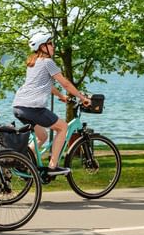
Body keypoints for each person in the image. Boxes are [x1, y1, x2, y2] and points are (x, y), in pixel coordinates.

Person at [12, 31, 90, 176]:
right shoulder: (48, 62)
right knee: (63, 127)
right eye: (50, 43)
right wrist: (81, 97)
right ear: (42, 47)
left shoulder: (33, 63)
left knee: (42, 137)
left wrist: (62, 96)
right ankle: (53, 167)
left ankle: (23, 162)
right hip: (33, 108)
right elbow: (65, 83)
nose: (53, 46)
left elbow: (45, 85)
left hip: (18, 107)